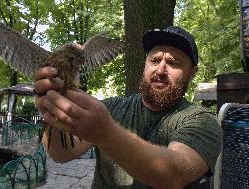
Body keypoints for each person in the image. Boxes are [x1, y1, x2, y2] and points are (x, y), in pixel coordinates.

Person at [33, 26, 222, 189]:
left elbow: (174, 175)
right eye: (154, 60)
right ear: (145, 64)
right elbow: (60, 154)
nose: (160, 70)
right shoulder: (111, 107)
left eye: (173, 63)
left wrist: (106, 133)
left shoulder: (201, 120)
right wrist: (53, 110)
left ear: (192, 73)